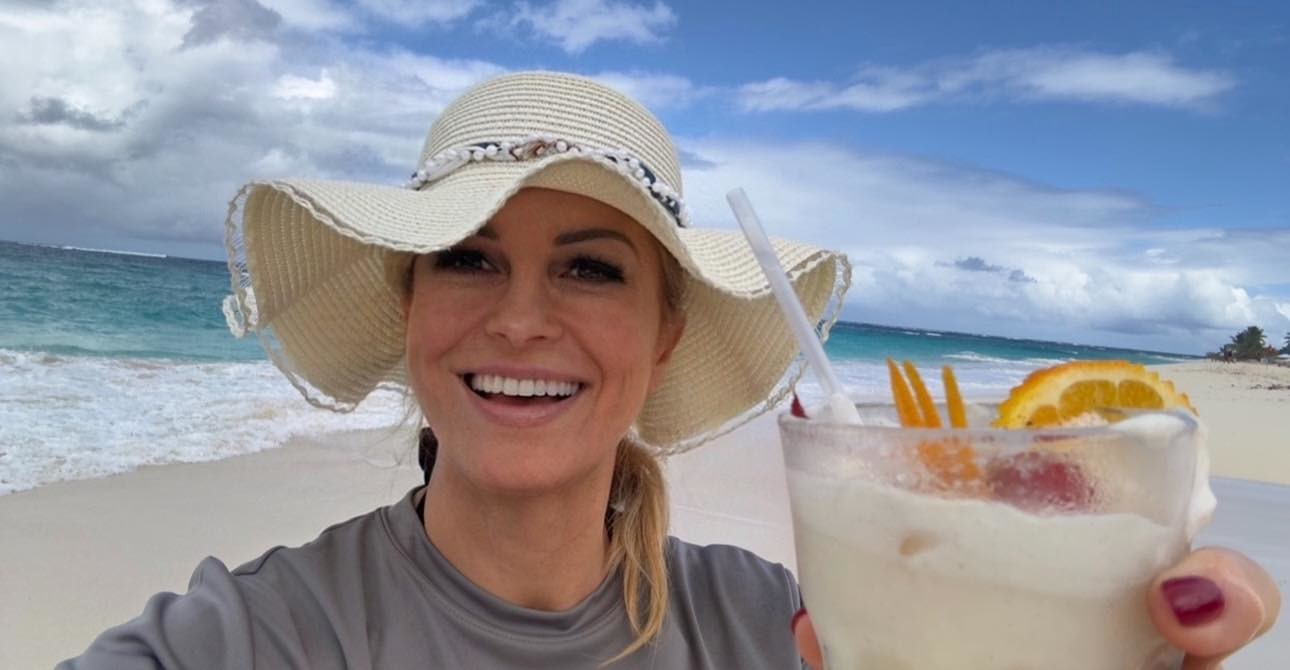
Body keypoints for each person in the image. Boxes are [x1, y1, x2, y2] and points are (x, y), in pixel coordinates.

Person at [61, 72, 1278, 669]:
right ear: (410, 305)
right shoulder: (257, 634)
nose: (520, 319)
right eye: (469, 258)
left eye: (590, 269)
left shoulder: (790, 631)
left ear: (666, 333)